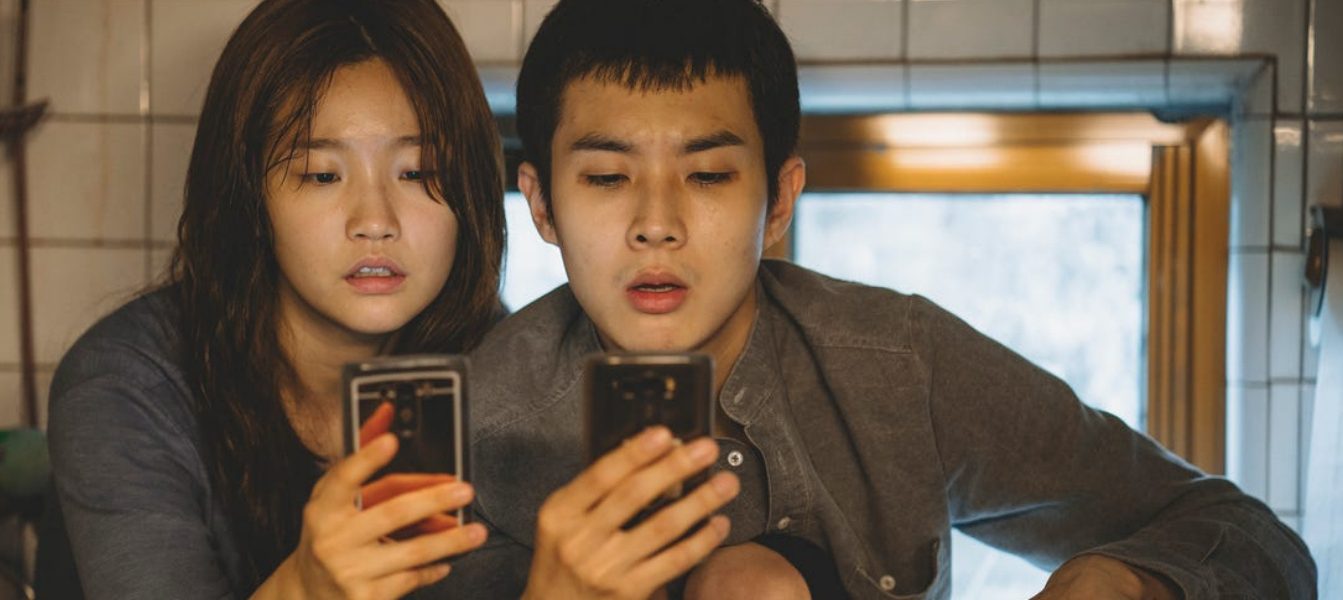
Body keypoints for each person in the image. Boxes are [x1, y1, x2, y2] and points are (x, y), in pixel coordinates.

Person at [459, 0, 1319, 598]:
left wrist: (1127, 579)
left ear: (779, 201)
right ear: (540, 205)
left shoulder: (895, 367)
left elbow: (1252, 540)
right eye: (607, 178)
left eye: (709, 175)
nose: (656, 224)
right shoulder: (476, 423)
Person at [35, 0, 505, 597]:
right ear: (249, 198)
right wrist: (303, 587)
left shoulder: (505, 363)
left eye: (417, 172)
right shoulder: (126, 384)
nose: (375, 221)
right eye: (322, 175)